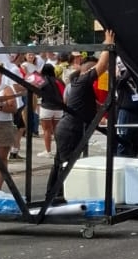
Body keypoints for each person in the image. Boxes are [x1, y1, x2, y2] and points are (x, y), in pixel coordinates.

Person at [44, 32, 115, 202]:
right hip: (70, 130)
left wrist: (102, 111)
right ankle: (59, 196)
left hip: (70, 128)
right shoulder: (83, 81)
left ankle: (53, 195)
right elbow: (102, 66)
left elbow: (93, 104)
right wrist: (108, 44)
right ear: (89, 71)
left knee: (61, 163)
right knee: (66, 165)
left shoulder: (81, 86)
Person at [115, 58, 138, 157]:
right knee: (123, 140)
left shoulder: (136, 78)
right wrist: (128, 70)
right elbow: (118, 83)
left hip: (137, 111)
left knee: (136, 142)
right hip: (126, 111)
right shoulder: (120, 77)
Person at [35, 63, 65, 158]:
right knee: (57, 130)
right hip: (59, 108)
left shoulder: (42, 80)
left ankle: (48, 151)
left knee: (47, 130)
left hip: (46, 107)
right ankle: (60, 151)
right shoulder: (59, 81)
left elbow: (37, 92)